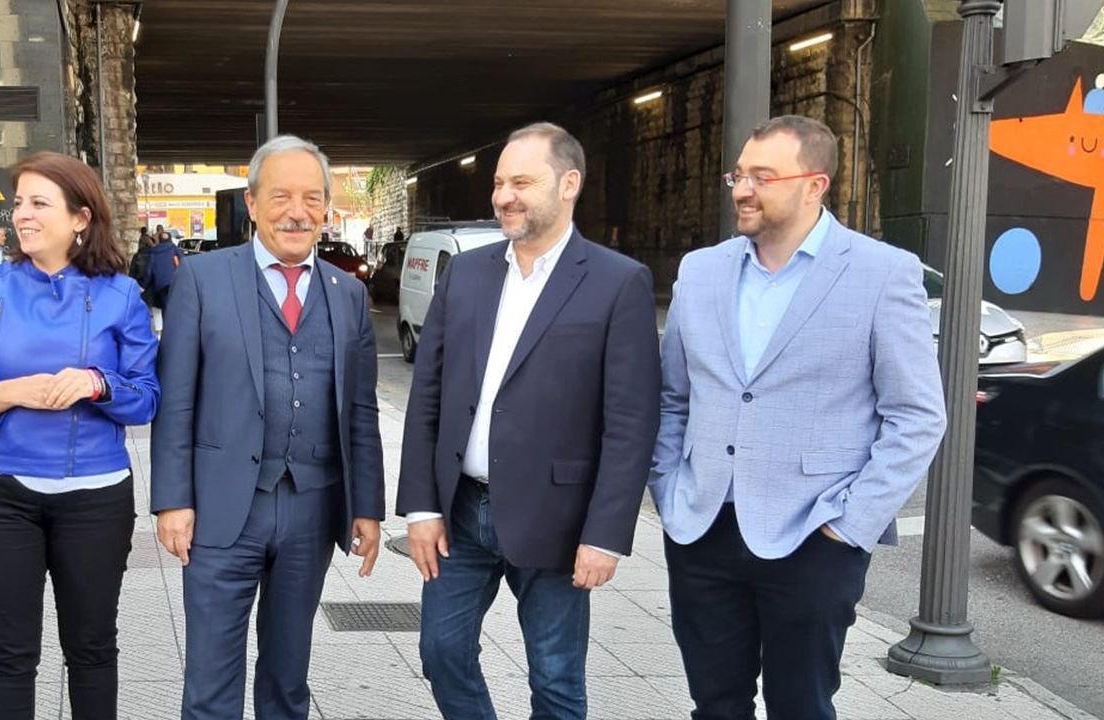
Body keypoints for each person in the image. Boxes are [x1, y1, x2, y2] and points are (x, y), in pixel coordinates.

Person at [650, 115, 947, 719]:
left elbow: (916, 416)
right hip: (702, 528)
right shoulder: (700, 271)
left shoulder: (883, 273)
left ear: (815, 185)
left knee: (801, 706)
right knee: (714, 704)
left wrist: (849, 527)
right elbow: (671, 398)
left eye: (763, 176)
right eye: (738, 174)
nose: (741, 189)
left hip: (814, 535)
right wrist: (668, 488)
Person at [396, 122, 661, 719]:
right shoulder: (465, 273)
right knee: (441, 652)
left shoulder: (618, 282)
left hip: (559, 520)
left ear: (569, 184)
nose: (504, 195)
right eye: (498, 182)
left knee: (557, 678)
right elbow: (429, 395)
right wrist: (421, 506)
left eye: (522, 181)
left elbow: (630, 422)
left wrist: (605, 534)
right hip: (460, 513)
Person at [151, 135, 384, 720]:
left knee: (287, 680)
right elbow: (175, 399)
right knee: (210, 685)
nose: (297, 211)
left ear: (327, 209)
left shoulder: (349, 294)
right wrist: (171, 500)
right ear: (252, 204)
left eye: (312, 198)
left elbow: (360, 409)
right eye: (280, 196)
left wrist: (369, 507)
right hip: (222, 508)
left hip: (312, 507)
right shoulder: (202, 280)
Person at [0, 151, 160, 719]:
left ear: (81, 218)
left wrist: (95, 382)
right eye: (18, 203)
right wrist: (11, 392)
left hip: (96, 497)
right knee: (7, 655)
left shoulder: (121, 296)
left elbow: (147, 399)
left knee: (91, 649)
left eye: (39, 203)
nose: (21, 216)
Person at [143, 230, 184, 333]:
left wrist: (144, 285)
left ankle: (167, 330)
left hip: (160, 285)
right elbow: (184, 263)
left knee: (164, 307)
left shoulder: (153, 252)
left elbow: (149, 270)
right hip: (176, 282)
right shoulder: (174, 249)